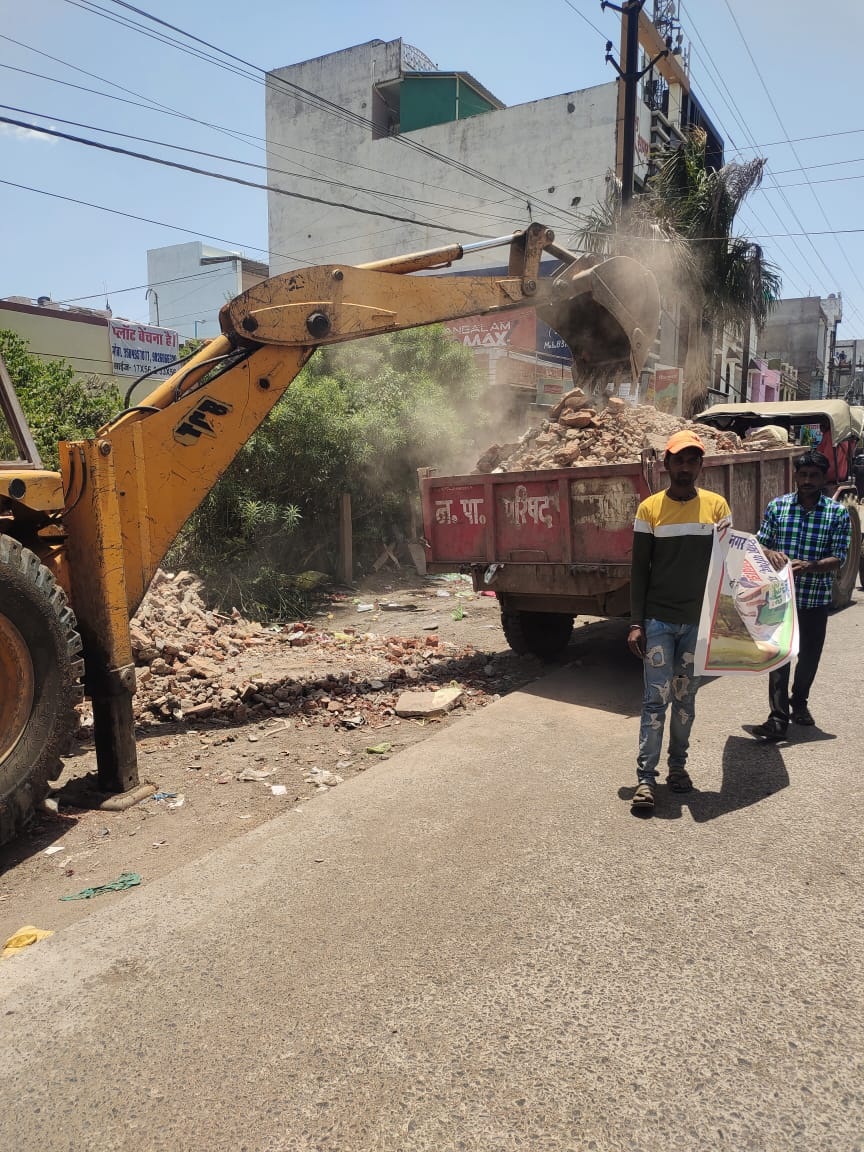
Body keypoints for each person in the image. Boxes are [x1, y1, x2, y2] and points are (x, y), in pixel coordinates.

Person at [627, 431, 732, 809]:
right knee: (655, 701)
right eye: (679, 460)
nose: (685, 467)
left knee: (686, 701)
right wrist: (636, 623)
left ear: (700, 465)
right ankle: (645, 779)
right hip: (659, 622)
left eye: (692, 460)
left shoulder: (717, 507)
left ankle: (678, 768)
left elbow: (730, 561)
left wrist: (764, 555)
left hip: (697, 625)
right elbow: (639, 570)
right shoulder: (649, 510)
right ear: (667, 465)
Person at [750, 450, 851, 740]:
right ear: (795, 475)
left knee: (808, 657)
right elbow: (759, 544)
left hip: (815, 600)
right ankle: (777, 718)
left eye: (813, 476)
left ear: (823, 478)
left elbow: (840, 558)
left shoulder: (837, 513)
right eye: (803, 474)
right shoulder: (778, 507)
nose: (807, 480)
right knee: (779, 658)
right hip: (780, 599)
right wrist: (770, 553)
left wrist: (810, 566)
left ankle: (800, 701)